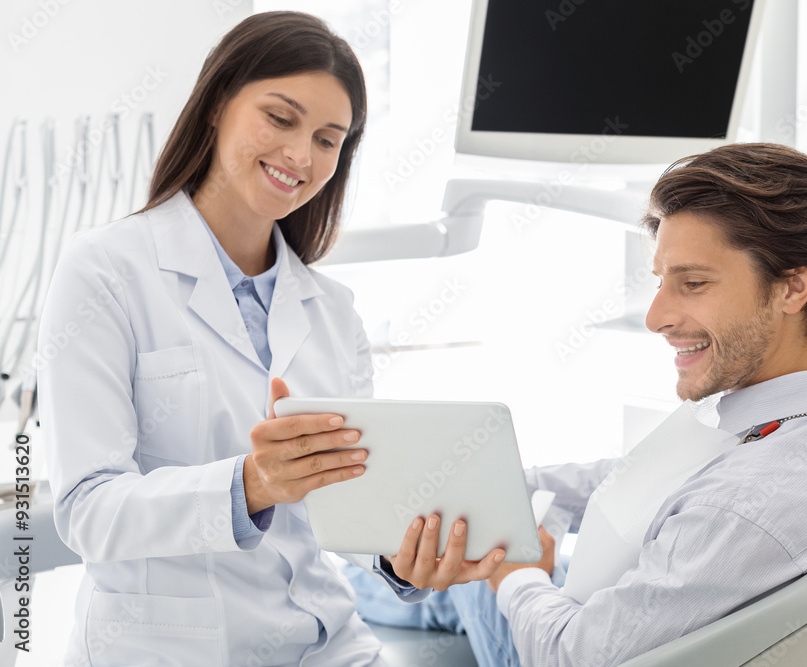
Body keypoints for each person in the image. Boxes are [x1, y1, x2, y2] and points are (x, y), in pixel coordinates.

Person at [37, 12, 502, 666]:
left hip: (329, 644)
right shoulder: (106, 272)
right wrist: (248, 484)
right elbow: (89, 511)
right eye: (280, 119)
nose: (300, 157)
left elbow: (344, 506)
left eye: (327, 139)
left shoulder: (332, 311)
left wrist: (400, 555)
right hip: (173, 649)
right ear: (217, 103)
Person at [347, 142, 807, 666]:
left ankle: (371, 586)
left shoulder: (747, 508)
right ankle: (393, 587)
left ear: (794, 287)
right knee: (464, 558)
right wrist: (499, 482)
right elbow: (664, 479)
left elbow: (571, 655)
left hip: (565, 644)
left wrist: (520, 577)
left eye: (692, 284)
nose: (657, 317)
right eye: (660, 282)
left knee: (472, 575)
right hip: (638, 608)